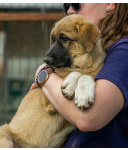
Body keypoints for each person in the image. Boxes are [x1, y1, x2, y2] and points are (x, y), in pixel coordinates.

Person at [30, 3, 128, 148]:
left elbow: (87, 118)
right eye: (66, 6)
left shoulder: (123, 51)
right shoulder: (93, 51)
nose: (70, 10)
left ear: (110, 3)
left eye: (77, 5)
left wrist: (43, 74)